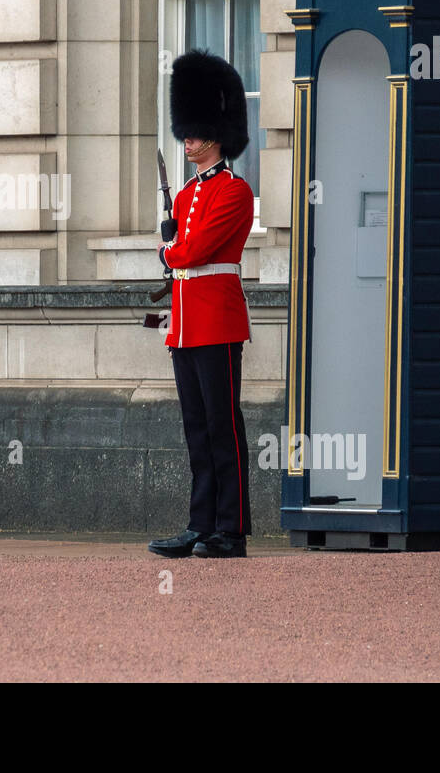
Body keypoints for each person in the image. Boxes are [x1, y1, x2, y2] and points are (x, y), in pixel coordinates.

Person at [148, 48, 255, 560]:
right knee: (196, 429)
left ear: (217, 135)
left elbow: (196, 251)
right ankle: (200, 524)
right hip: (187, 324)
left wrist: (169, 247)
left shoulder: (235, 191)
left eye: (195, 135)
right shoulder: (187, 195)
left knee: (223, 425)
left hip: (217, 320)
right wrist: (170, 245)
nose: (188, 143)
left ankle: (230, 530)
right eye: (186, 134)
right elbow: (180, 259)